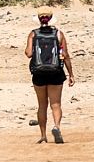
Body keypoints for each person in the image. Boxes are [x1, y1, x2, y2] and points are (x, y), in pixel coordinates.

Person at [24, 10, 74, 143]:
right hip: (56, 72)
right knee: (56, 104)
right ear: (51, 19)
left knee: (42, 105)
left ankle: (43, 136)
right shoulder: (58, 34)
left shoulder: (33, 34)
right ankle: (56, 126)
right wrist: (71, 74)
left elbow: (28, 54)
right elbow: (65, 55)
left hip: (39, 72)